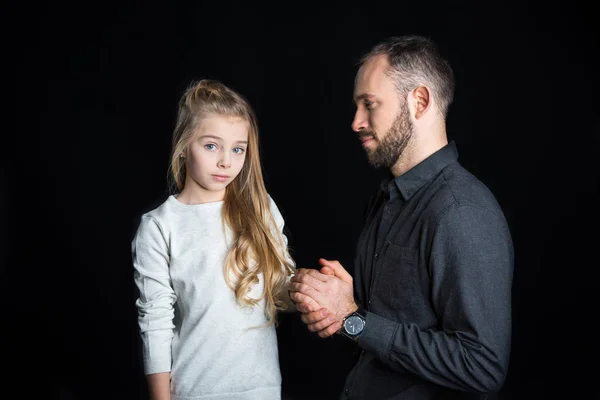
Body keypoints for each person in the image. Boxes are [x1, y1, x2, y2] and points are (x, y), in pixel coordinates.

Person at [289, 35, 514, 399]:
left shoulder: (461, 211)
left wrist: (352, 317)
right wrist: (341, 311)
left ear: (419, 101)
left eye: (370, 105)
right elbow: (383, 332)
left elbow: (482, 365)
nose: (356, 122)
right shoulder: (387, 199)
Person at [131, 79, 296, 400]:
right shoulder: (159, 226)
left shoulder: (260, 209)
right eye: (211, 146)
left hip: (261, 387)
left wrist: (306, 287)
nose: (226, 161)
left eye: (238, 149)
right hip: (194, 390)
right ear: (183, 145)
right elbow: (155, 323)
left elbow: (282, 288)